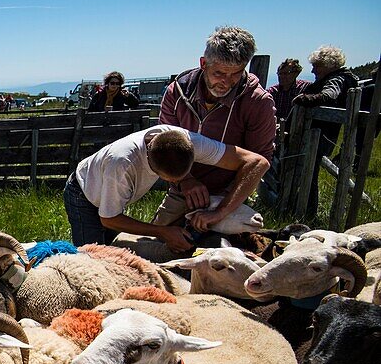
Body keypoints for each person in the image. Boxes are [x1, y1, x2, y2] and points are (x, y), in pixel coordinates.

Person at [64, 124, 269, 251]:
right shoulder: (122, 164)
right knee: (93, 256)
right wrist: (163, 232)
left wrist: (220, 211)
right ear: (155, 171)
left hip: (110, 193)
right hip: (84, 194)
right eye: (170, 180)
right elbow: (108, 218)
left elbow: (257, 163)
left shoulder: (188, 140)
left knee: (114, 250)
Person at [154, 25, 276, 227]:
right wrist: (186, 181)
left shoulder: (257, 102)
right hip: (181, 190)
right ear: (203, 64)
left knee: (229, 254)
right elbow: (164, 145)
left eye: (236, 73)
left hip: (228, 196)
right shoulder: (177, 93)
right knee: (156, 244)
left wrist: (221, 211)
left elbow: (259, 161)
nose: (226, 83)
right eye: (219, 73)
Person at [292, 45, 359, 219]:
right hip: (321, 135)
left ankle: (307, 213)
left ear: (329, 65)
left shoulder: (337, 79)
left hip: (319, 136)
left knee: (309, 173)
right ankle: (306, 211)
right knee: (308, 172)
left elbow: (329, 95)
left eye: (317, 65)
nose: (313, 70)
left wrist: (308, 99)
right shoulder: (340, 77)